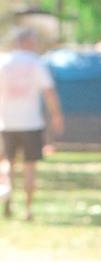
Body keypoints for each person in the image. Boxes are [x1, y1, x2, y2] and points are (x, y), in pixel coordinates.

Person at [0, 26, 63, 220]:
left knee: (8, 162)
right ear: (25, 42)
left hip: (6, 123)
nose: (36, 44)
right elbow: (49, 92)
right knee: (29, 166)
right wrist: (56, 115)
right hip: (31, 123)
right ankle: (28, 209)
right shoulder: (36, 63)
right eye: (33, 41)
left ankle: (7, 196)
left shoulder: (3, 62)